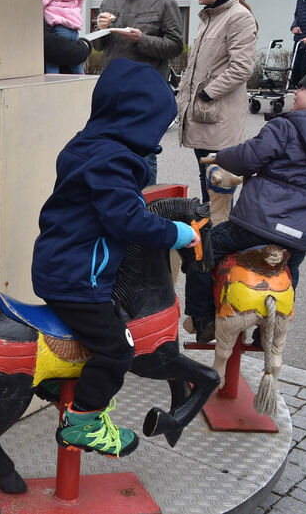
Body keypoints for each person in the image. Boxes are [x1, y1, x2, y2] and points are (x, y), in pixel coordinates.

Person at [31, 58, 199, 457]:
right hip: (78, 278)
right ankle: (83, 422)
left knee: (101, 334)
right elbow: (126, 220)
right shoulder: (114, 160)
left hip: (60, 265)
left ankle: (57, 383)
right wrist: (178, 232)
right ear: (140, 119)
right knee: (118, 349)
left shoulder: (88, 144)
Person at [183, 58, 306, 343]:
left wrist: (222, 156)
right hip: (298, 235)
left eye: (303, 89)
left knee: (201, 248)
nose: (295, 92)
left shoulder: (287, 127)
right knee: (289, 275)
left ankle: (202, 317)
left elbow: (248, 158)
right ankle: (268, 332)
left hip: (254, 224)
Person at [94, 0, 184, 185]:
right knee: (110, 149)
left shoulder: (164, 2)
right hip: (113, 90)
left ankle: (145, 204)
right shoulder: (109, 1)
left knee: (144, 152)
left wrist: (141, 40)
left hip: (146, 92)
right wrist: (100, 29)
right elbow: (100, 47)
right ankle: (117, 196)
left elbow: (175, 45)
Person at [176, 0, 258, 201]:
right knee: (207, 184)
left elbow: (242, 67)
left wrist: (207, 94)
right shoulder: (210, 17)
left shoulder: (238, 17)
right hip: (204, 116)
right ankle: (210, 236)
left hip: (218, 119)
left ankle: (216, 236)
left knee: (218, 190)